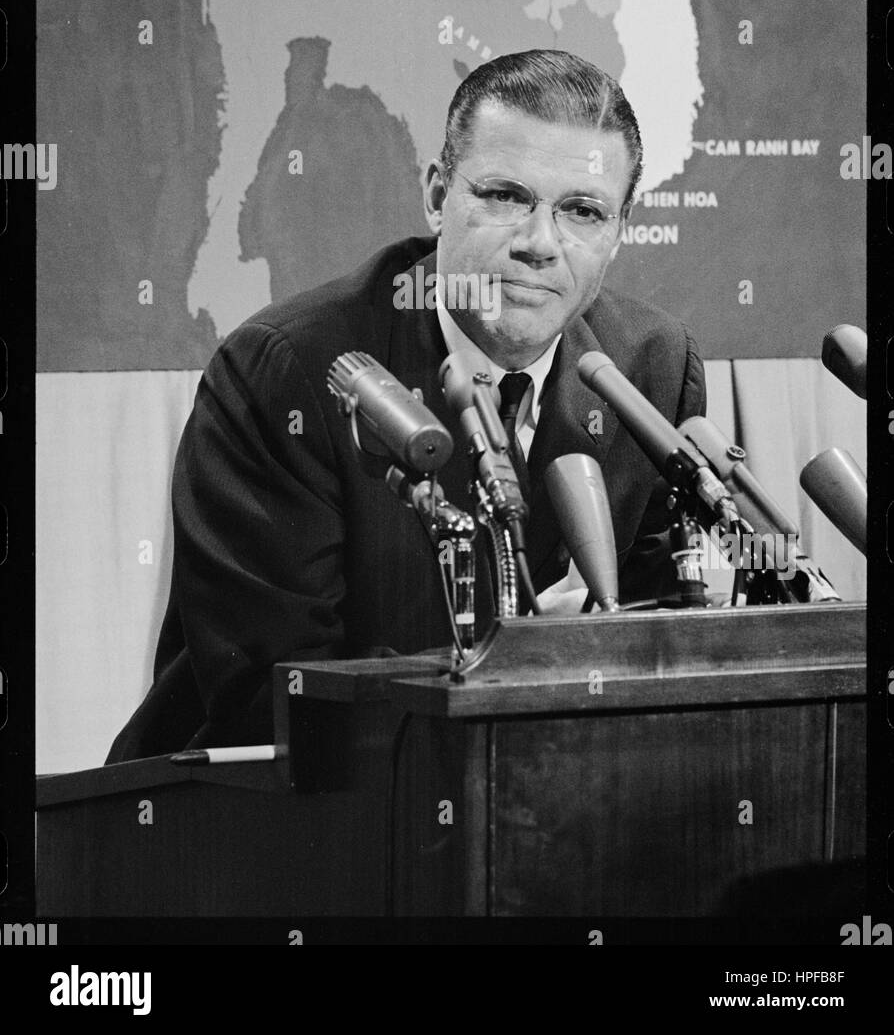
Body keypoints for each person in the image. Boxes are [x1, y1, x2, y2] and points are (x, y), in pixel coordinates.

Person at [107, 50, 705, 761]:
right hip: (247, 832)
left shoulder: (650, 368)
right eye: (506, 196)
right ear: (435, 195)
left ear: (619, 232)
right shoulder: (288, 373)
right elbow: (276, 699)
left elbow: (673, 648)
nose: (541, 244)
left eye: (582, 211)